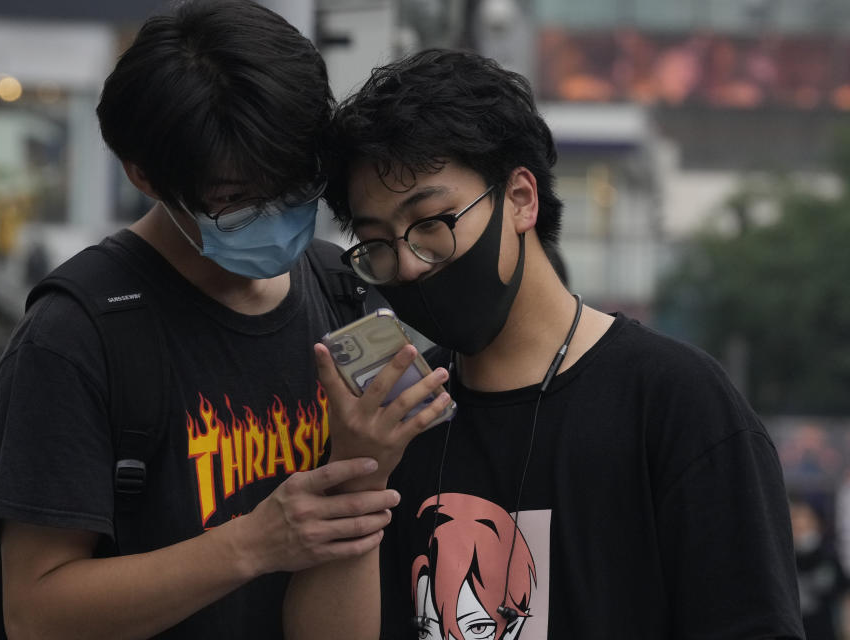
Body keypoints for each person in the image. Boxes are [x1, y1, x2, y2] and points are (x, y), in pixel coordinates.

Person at [285, 49, 804, 639]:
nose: (407, 264)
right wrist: (361, 475)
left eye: (432, 222)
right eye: (377, 242)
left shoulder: (675, 403)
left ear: (522, 199)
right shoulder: (395, 423)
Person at [0, 2, 400, 638]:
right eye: (235, 202)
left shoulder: (347, 293)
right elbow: (36, 613)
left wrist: (366, 474)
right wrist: (254, 544)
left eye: (296, 184)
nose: (279, 214)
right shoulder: (76, 336)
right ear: (144, 176)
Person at [790, 496, 849, 640]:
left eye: (805, 526)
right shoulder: (785, 563)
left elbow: (844, 596)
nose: (802, 533)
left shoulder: (829, 559)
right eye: (796, 528)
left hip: (825, 632)